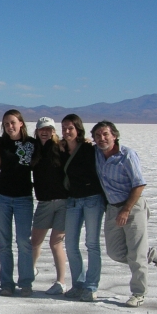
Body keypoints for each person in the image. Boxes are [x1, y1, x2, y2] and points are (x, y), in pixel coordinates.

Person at [92, 121, 157, 307]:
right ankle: (156, 255)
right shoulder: (96, 153)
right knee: (115, 252)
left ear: (114, 135)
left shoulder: (127, 155)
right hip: (112, 207)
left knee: (136, 254)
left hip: (132, 207)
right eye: (98, 136)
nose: (102, 139)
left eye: (106, 134)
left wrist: (126, 209)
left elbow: (139, 184)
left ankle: (138, 293)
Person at [60, 114, 105, 302]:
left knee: (92, 244)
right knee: (70, 244)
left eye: (70, 128)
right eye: (64, 128)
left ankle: (91, 286)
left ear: (78, 129)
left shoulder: (88, 149)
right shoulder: (61, 149)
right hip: (73, 201)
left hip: (92, 199)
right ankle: (78, 284)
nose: (67, 131)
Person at [0, 109, 35, 296]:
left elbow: (53, 147)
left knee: (24, 242)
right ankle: (6, 284)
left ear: (21, 123)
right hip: (2, 196)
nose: (10, 126)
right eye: (6, 123)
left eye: (13, 122)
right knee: (4, 244)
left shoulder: (32, 144)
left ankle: (26, 282)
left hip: (24, 198)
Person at [30, 117, 69, 295]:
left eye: (48, 129)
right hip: (44, 203)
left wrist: (86, 141)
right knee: (35, 241)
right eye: (41, 129)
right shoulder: (34, 150)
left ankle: (61, 282)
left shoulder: (62, 147)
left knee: (56, 243)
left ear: (54, 131)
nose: (44, 132)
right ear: (37, 132)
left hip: (63, 203)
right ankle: (30, 272)